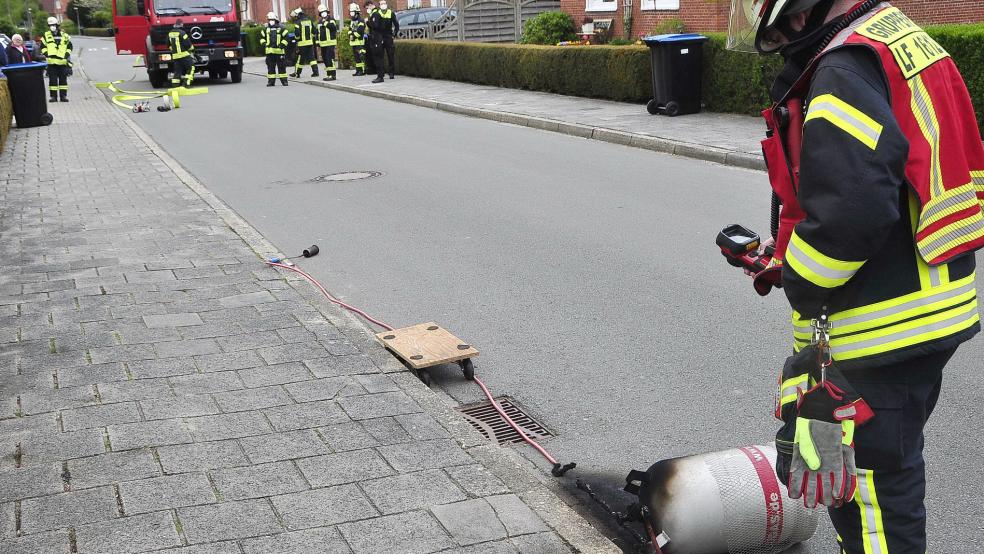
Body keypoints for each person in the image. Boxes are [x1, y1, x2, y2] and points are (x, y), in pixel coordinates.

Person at [728, 1, 984, 552]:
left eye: (781, 28)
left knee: (869, 498)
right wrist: (788, 253)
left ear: (801, 12)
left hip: (880, 326)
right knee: (885, 474)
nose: (785, 40)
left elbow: (852, 209)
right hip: (927, 308)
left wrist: (799, 277)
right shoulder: (895, 38)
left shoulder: (842, 67)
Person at [40, 17, 72, 102]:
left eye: (53, 25)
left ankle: (63, 96)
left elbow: (69, 47)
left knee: (63, 81)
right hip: (52, 63)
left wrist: (66, 55)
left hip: (62, 62)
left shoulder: (65, 35)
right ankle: (53, 97)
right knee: (52, 81)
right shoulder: (46, 35)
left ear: (57, 25)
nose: (52, 27)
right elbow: (42, 47)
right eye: (50, 25)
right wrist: (47, 54)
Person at [367, 0, 398, 81]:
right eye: (381, 4)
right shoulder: (378, 13)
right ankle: (382, 73)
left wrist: (394, 34)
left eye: (384, 3)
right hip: (380, 36)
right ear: (379, 5)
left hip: (388, 36)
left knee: (390, 54)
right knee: (380, 55)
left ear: (386, 4)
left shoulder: (390, 13)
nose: (383, 5)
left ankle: (391, 72)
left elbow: (396, 24)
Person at [260, 11, 289, 86]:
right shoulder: (265, 29)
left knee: (282, 67)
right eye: (269, 20)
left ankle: (284, 81)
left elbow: (286, 37)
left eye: (272, 19)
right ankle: (271, 82)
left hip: (280, 52)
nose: (271, 21)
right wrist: (264, 44)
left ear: (275, 20)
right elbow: (262, 38)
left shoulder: (282, 28)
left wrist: (282, 45)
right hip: (269, 52)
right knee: (270, 68)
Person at [290, 7, 317, 78]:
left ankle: (297, 73)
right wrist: (310, 37)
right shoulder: (309, 21)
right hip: (310, 43)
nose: (295, 18)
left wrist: (297, 40)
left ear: (298, 15)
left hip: (302, 44)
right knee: (312, 58)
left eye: (296, 16)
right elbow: (314, 31)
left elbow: (297, 35)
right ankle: (315, 72)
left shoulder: (297, 22)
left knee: (300, 59)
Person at [167, 19, 195, 88]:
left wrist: (174, 51)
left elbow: (168, 44)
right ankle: (186, 84)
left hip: (175, 56)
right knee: (191, 68)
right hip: (184, 55)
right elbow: (188, 44)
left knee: (177, 71)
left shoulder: (170, 33)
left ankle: (175, 86)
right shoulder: (182, 33)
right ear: (181, 24)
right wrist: (192, 50)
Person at [315, 4, 338, 81]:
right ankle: (328, 74)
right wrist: (317, 42)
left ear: (327, 12)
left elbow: (333, 28)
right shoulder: (319, 22)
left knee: (329, 59)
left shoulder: (331, 19)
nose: (323, 13)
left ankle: (333, 75)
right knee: (325, 59)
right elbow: (317, 33)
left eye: (324, 12)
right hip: (323, 44)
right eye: (321, 12)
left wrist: (325, 23)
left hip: (330, 43)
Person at [347, 3, 367, 76]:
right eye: (351, 12)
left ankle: (362, 71)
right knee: (356, 58)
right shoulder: (352, 21)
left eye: (352, 12)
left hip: (359, 42)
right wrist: (350, 35)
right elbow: (350, 29)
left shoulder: (360, 20)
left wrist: (353, 36)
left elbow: (360, 31)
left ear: (356, 12)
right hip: (354, 42)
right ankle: (358, 70)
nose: (351, 13)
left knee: (361, 57)